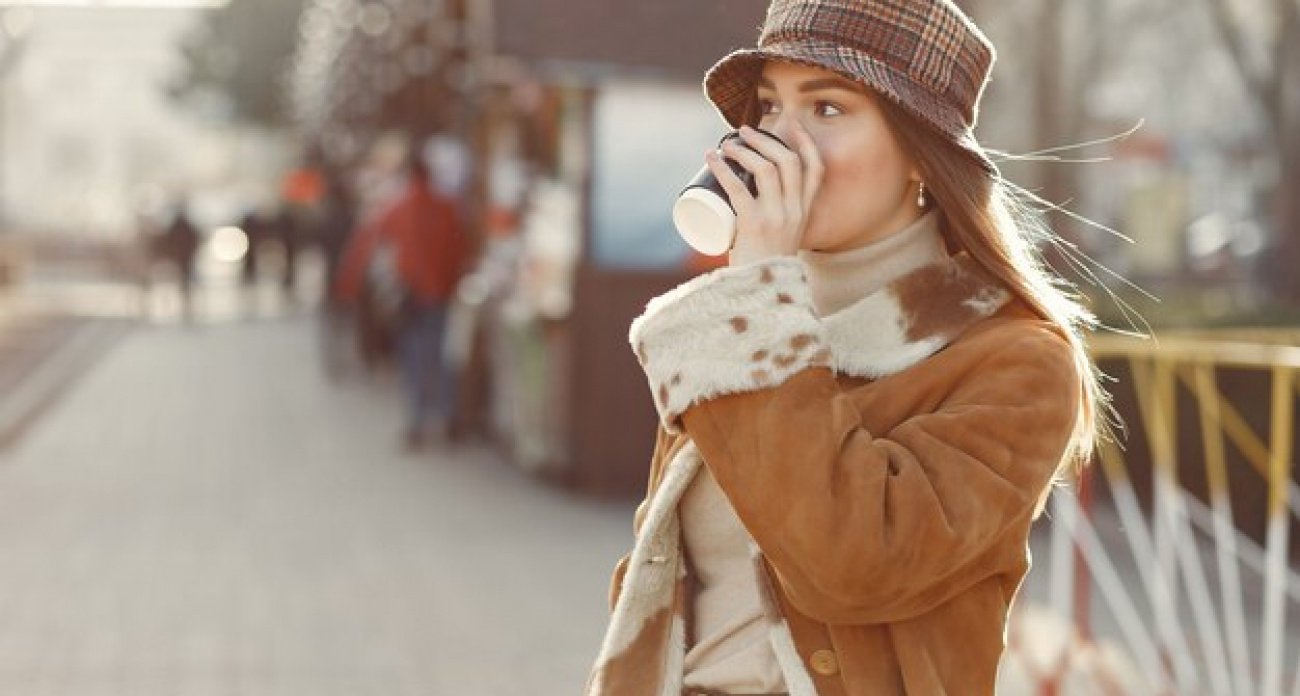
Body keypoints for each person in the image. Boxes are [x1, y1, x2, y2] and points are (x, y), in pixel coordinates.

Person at [585, 1, 1108, 695]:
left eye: (827, 109)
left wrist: (758, 297)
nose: (782, 141)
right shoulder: (745, 319)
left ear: (920, 152)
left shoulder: (1015, 359)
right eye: (770, 106)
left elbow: (854, 565)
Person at [336, 153, 469, 449]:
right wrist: (452, 282)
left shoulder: (395, 207)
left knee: (413, 360)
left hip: (410, 296)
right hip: (441, 294)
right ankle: (446, 416)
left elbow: (367, 245)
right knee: (442, 357)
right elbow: (460, 251)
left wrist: (348, 285)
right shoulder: (446, 208)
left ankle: (417, 422)